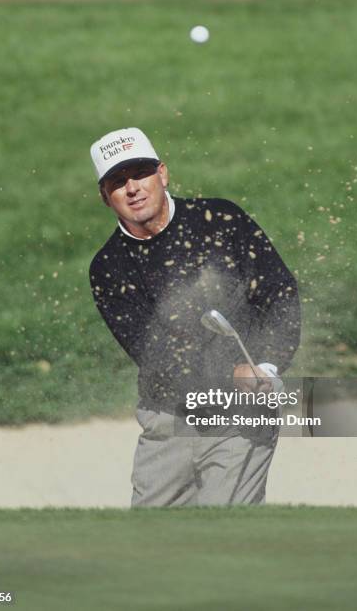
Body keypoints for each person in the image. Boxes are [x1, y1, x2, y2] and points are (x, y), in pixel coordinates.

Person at [89, 127, 301, 506]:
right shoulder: (109, 266)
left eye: (140, 173)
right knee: (153, 546)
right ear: (106, 197)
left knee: (222, 538)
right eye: (118, 182)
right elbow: (156, 354)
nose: (133, 188)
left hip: (239, 414)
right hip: (167, 418)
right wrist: (229, 373)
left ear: (163, 174)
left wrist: (266, 366)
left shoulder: (220, 219)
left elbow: (278, 292)